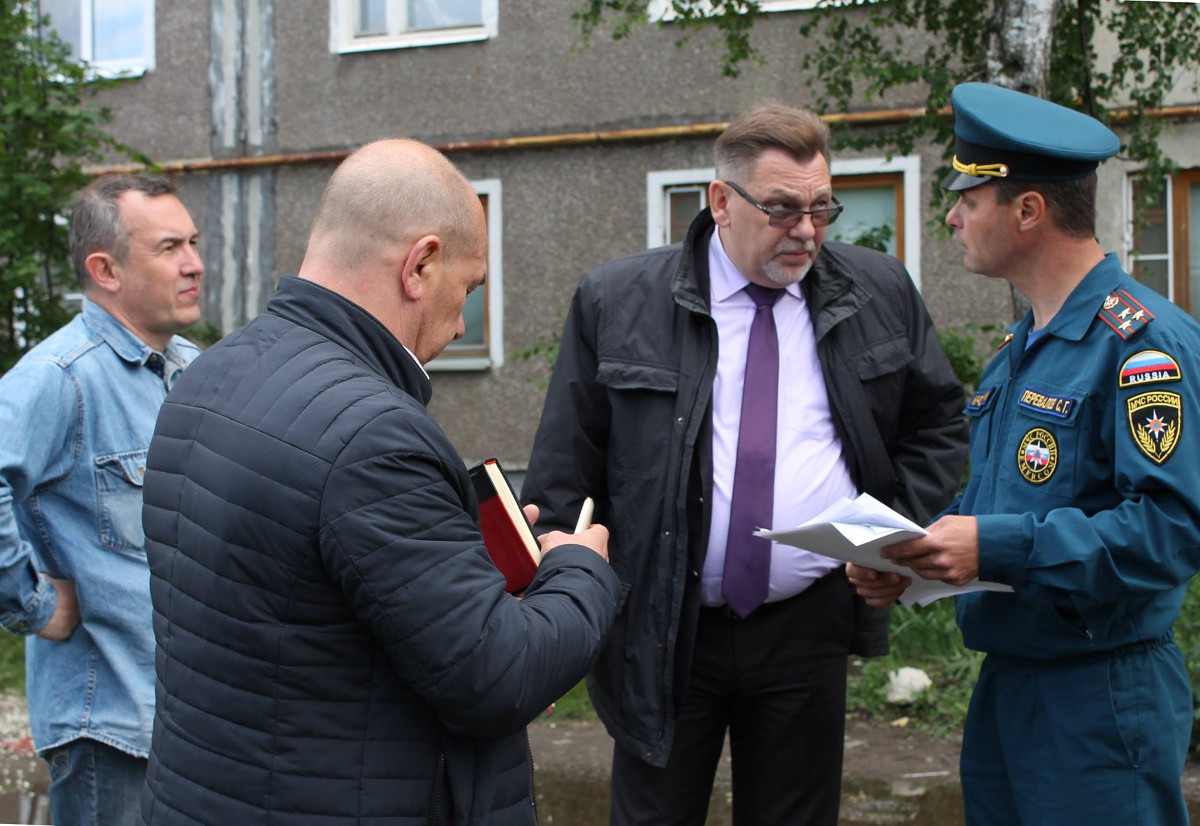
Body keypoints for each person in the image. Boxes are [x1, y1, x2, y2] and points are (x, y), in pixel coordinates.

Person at [139, 139, 623, 825]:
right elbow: (497, 676)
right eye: (469, 291)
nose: (460, 324)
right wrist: (578, 569)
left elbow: (295, 595)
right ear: (421, 264)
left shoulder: (209, 376)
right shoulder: (374, 436)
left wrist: (457, 560)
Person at [521, 101, 969, 825]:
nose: (807, 231)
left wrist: (888, 535)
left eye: (823, 208)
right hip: (665, 627)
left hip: (808, 623)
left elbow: (940, 422)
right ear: (721, 202)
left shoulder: (877, 292)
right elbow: (566, 472)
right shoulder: (619, 300)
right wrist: (568, 602)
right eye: (784, 208)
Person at [848, 82, 1200, 825]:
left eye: (967, 200)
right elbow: (1004, 506)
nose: (951, 217)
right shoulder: (1022, 349)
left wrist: (993, 544)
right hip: (1013, 683)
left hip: (1101, 694)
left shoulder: (1144, 348)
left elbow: (1169, 534)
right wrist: (912, 560)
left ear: (1028, 211)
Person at [0, 174, 203, 824]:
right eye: (170, 246)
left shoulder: (194, 371)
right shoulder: (61, 377)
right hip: (111, 735)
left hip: (197, 730)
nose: (194, 263)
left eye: (193, 242)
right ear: (105, 269)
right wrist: (32, 605)